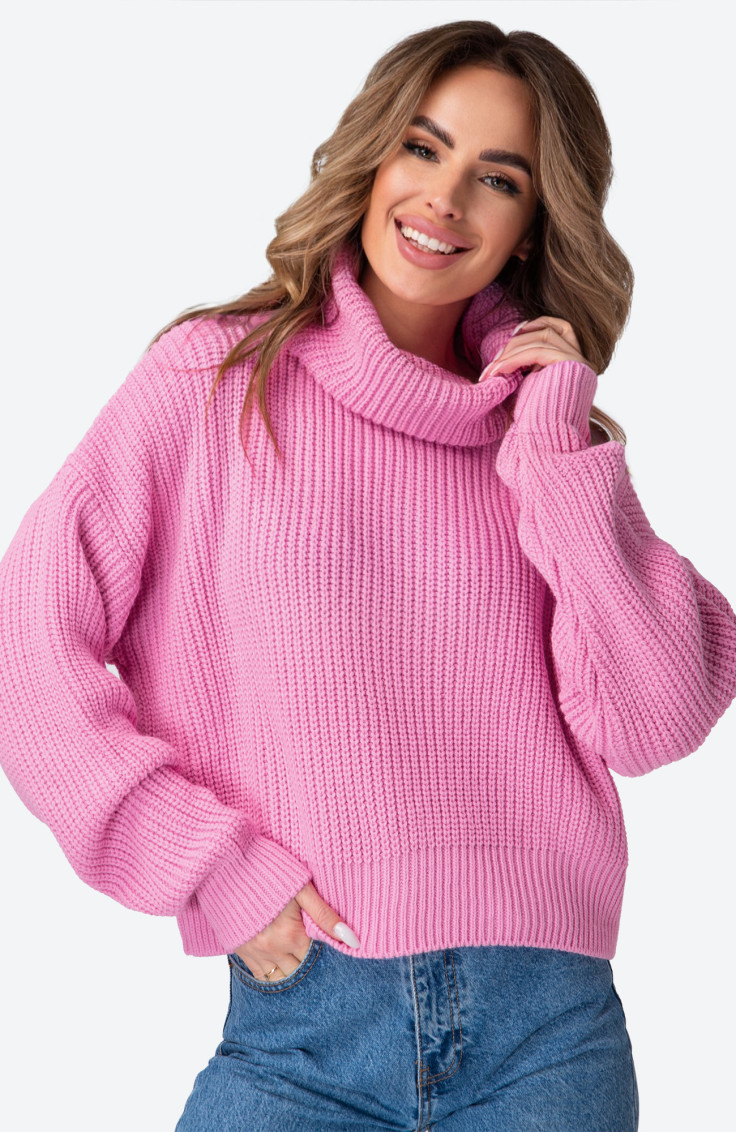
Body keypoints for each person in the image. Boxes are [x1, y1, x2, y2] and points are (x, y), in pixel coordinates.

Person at [1, 17, 734, 1131]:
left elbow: (659, 717)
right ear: (373, 153)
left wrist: (559, 454)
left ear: (533, 225)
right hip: (303, 1031)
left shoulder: (544, 442)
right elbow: (25, 643)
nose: (445, 198)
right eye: (423, 148)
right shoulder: (215, 382)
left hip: (549, 1037)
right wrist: (205, 863)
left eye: (498, 178)